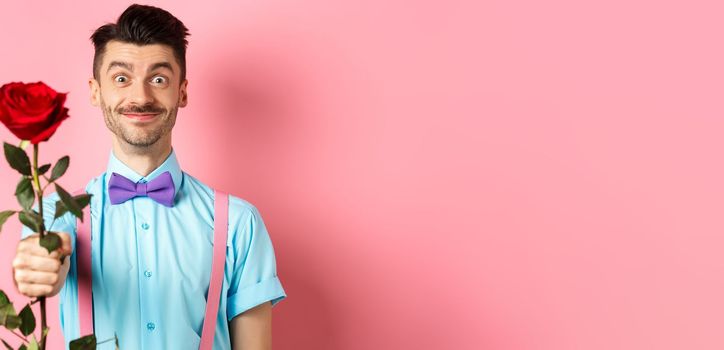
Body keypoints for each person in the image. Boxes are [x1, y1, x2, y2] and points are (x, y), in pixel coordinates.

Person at [11, 4, 286, 349]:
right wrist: (37, 268)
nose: (140, 97)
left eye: (158, 79)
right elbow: (40, 266)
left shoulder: (239, 223)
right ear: (96, 91)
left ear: (182, 92)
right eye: (121, 78)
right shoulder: (54, 215)